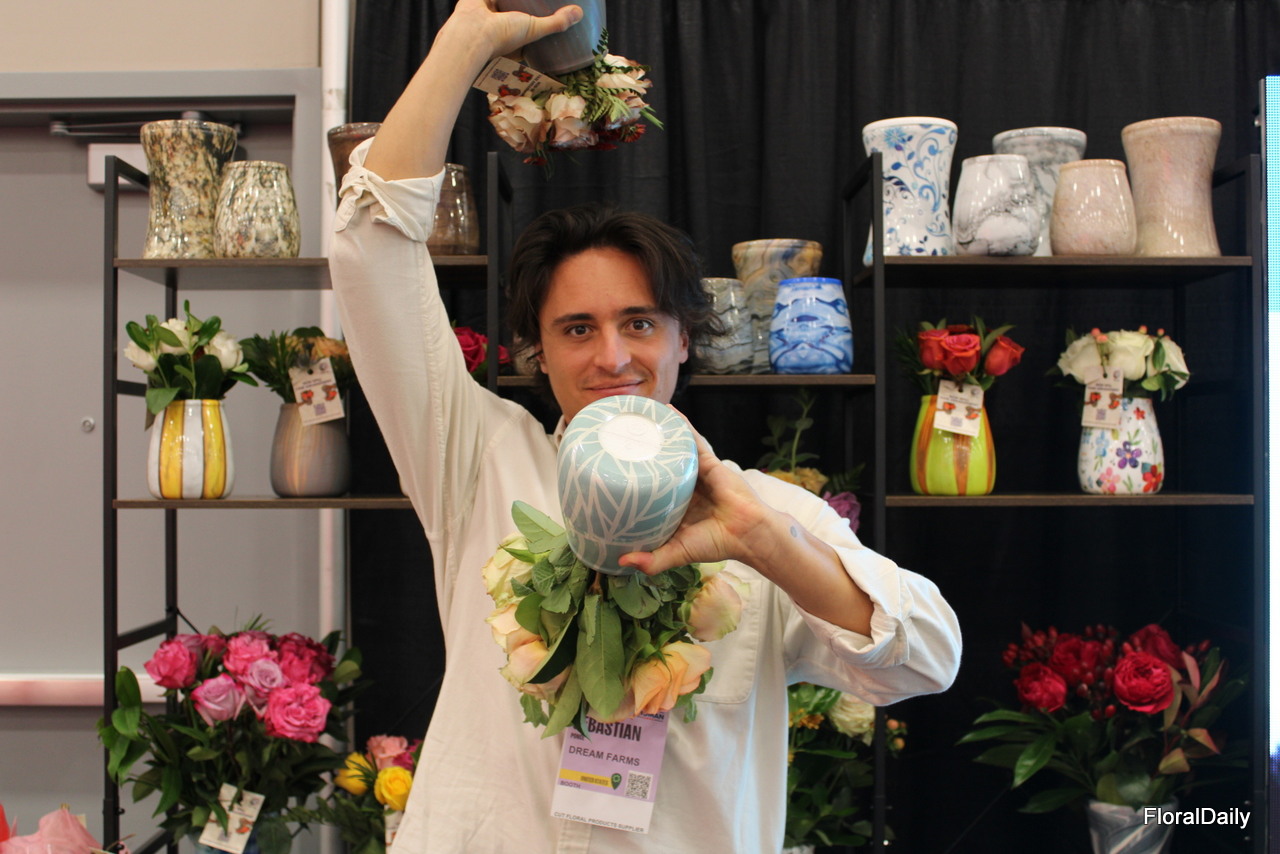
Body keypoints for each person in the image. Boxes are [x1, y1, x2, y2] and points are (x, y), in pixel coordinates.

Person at [329, 2, 962, 851]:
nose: (612, 357)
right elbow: (370, 248)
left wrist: (763, 544)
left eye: (640, 323)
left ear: (683, 341)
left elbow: (927, 658)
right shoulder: (479, 460)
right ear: (536, 352)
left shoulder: (759, 512)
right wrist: (467, 38)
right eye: (576, 329)